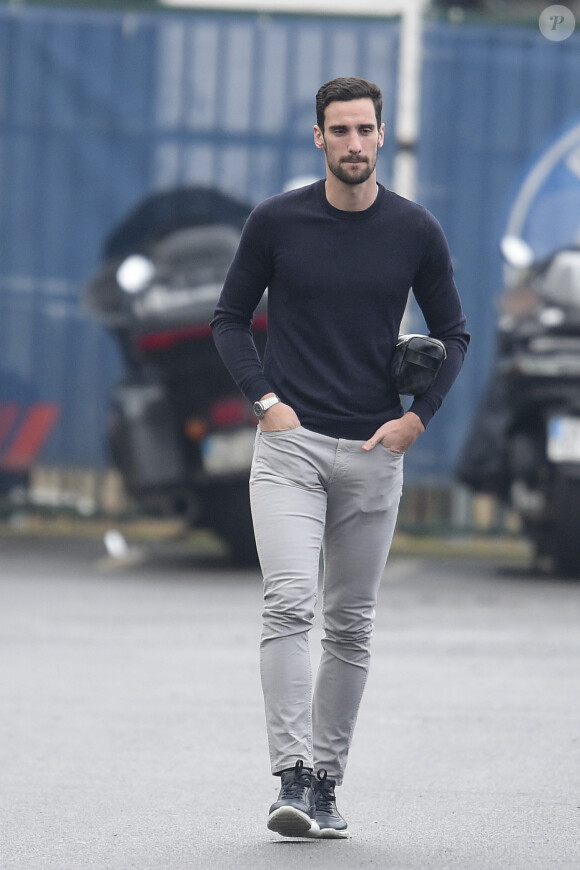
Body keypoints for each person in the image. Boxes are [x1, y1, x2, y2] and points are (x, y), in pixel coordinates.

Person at [211, 76, 469, 839]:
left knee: (350, 625)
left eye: (366, 130)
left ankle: (326, 784)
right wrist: (266, 403)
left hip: (372, 450)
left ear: (381, 136)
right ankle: (290, 777)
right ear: (318, 138)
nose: (354, 143)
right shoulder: (276, 221)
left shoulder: (414, 230)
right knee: (289, 603)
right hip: (289, 447)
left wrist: (417, 419)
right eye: (340, 131)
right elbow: (229, 320)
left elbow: (454, 333)